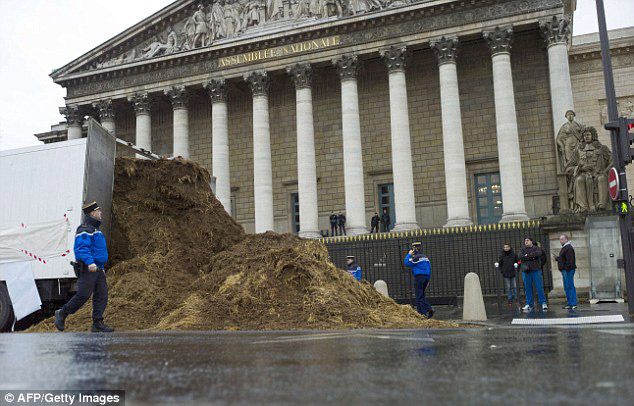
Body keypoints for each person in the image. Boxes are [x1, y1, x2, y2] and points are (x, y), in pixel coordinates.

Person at [54, 201, 114, 333]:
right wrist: (90, 262)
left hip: (98, 269)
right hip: (89, 268)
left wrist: (100, 266)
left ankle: (97, 323)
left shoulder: (95, 230)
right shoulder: (85, 229)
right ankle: (62, 313)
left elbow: (96, 250)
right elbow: (82, 249)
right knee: (83, 295)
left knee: (102, 295)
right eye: (98, 211)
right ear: (92, 213)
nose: (101, 213)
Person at [404, 242, 434, 318]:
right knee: (422, 295)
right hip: (426, 277)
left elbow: (407, 263)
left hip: (419, 277)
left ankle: (422, 314)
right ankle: (429, 308)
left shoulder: (416, 257)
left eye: (413, 248)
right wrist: (428, 280)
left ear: (415, 249)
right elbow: (429, 268)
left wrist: (409, 254)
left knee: (419, 296)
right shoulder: (425, 257)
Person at [518, 237, 548, 312]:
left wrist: (526, 256)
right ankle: (529, 303)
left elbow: (538, 254)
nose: (526, 242)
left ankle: (543, 302)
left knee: (539, 287)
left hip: (536, 270)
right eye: (525, 240)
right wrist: (531, 257)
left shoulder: (537, 248)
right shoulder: (522, 249)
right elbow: (520, 256)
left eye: (527, 240)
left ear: (531, 241)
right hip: (526, 271)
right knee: (527, 288)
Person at [555, 234, 577, 309]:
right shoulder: (565, 248)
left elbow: (570, 260)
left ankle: (573, 303)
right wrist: (558, 258)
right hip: (565, 270)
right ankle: (570, 302)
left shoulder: (568, 248)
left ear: (566, 239)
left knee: (570, 286)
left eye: (562, 239)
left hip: (568, 270)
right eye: (560, 239)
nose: (560, 241)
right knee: (567, 287)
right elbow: (564, 258)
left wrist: (567, 268)